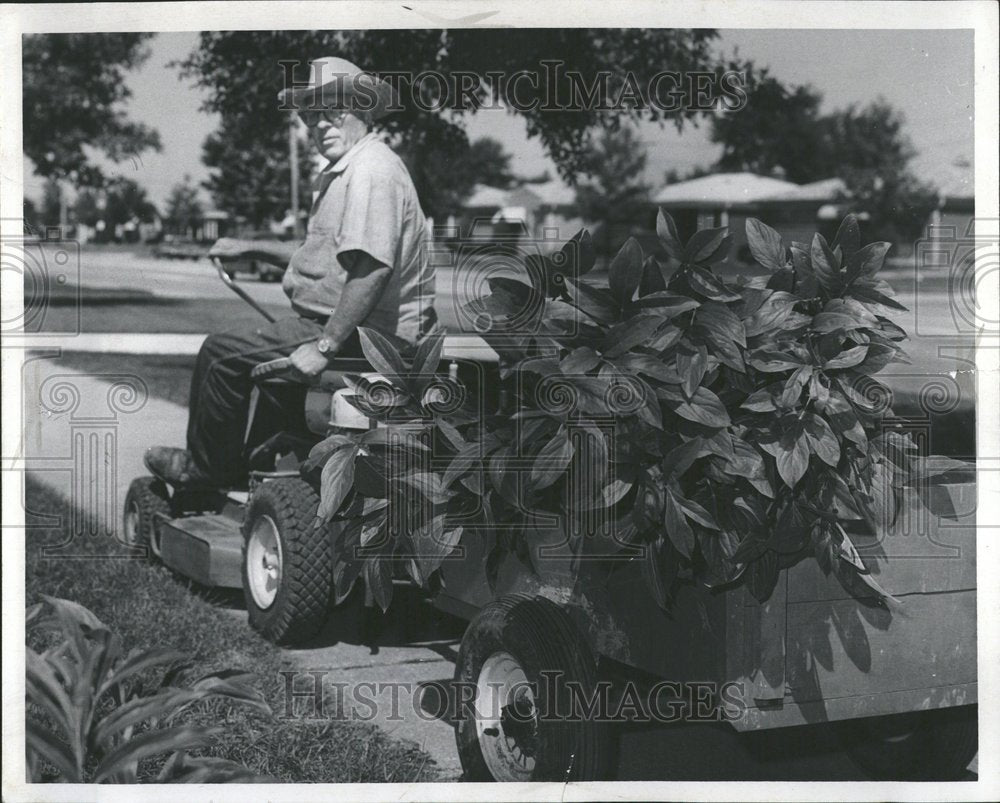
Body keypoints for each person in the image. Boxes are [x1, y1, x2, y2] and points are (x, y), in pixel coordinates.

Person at [145, 56, 436, 488]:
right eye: (311, 114)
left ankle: (208, 471)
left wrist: (325, 344)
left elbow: (372, 269)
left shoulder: (372, 171)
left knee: (222, 353)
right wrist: (253, 247)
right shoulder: (350, 170)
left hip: (375, 342)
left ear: (364, 109)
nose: (320, 124)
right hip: (355, 332)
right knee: (263, 353)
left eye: (334, 111)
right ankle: (262, 463)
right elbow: (327, 257)